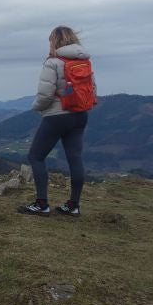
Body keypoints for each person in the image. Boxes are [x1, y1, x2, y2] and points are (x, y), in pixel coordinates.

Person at [18, 26, 92, 216]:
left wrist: (36, 107)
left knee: (36, 156)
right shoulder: (84, 62)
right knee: (75, 158)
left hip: (57, 116)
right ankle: (73, 205)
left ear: (54, 41)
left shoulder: (53, 62)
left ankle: (42, 204)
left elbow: (45, 94)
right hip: (80, 115)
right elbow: (92, 90)